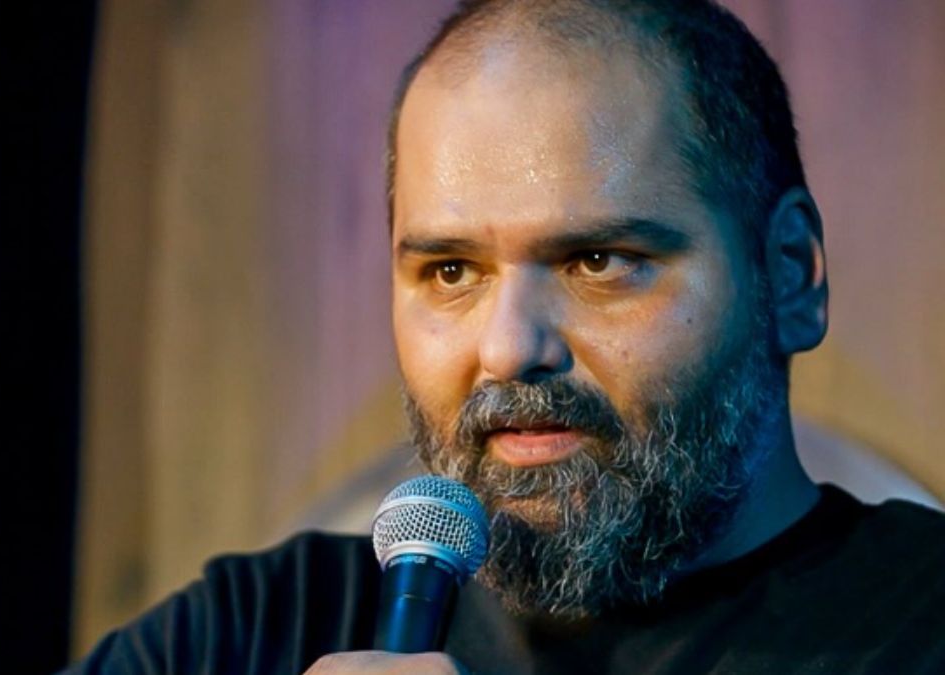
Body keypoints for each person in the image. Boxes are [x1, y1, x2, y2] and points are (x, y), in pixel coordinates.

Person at [58, 1, 945, 673]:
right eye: (451, 271)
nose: (510, 347)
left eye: (598, 260)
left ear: (788, 275)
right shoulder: (256, 630)